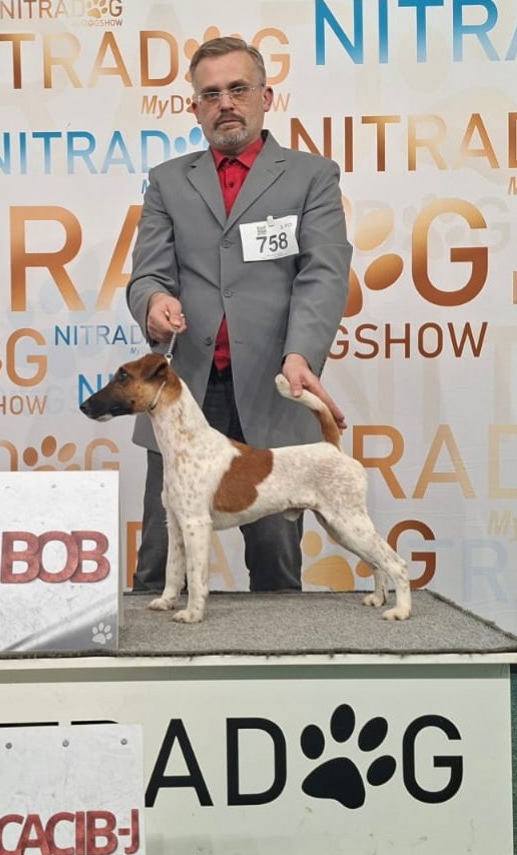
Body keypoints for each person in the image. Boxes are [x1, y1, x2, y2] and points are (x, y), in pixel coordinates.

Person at [126, 35, 353, 593]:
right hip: (182, 394)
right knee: (158, 564)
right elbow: (147, 274)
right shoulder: (167, 180)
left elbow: (323, 273)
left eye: (238, 89)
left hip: (274, 388)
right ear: (194, 107)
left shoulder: (312, 175)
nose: (225, 103)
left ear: (265, 97)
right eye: (210, 94)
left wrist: (301, 356)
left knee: (276, 567)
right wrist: (154, 303)